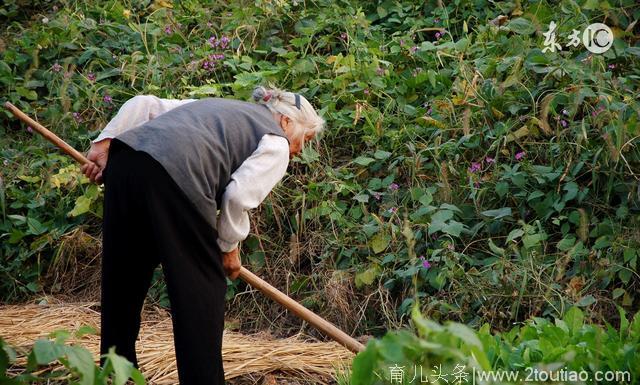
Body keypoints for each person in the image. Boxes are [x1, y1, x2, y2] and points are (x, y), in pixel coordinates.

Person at [80, 86, 325, 385]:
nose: (300, 150)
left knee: (124, 276)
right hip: (180, 176)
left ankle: (116, 374)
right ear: (286, 122)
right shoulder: (276, 141)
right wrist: (229, 246)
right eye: (306, 139)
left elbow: (143, 104)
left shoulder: (212, 106)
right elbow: (236, 196)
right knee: (201, 288)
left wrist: (103, 144)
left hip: (126, 161)